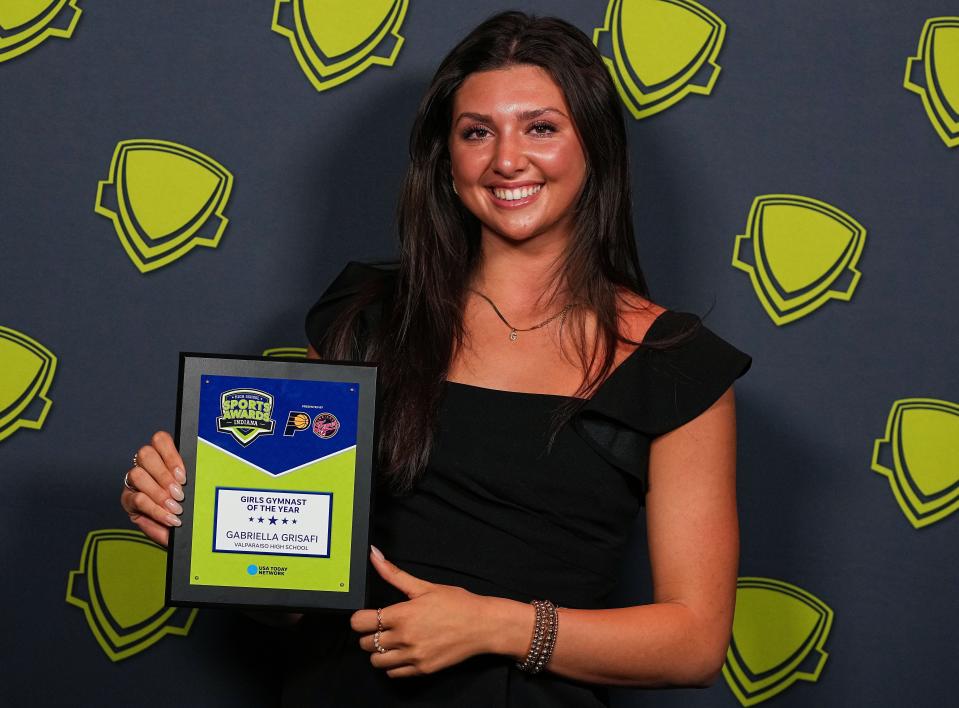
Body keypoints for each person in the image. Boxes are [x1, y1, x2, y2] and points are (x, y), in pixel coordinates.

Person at [119, 11, 751, 707]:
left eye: (540, 127)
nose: (506, 159)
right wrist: (200, 527)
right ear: (447, 162)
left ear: (593, 147)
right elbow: (288, 599)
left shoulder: (674, 363)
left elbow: (693, 644)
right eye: (476, 132)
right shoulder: (365, 315)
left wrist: (500, 627)